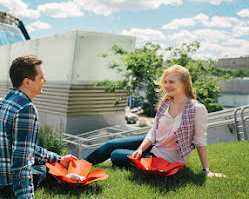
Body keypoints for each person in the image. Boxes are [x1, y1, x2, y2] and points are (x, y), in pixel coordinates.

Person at [0, 55, 75, 199]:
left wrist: (58, 158)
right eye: (41, 77)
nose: (45, 80)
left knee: (48, 162)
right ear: (27, 82)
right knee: (47, 170)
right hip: (2, 187)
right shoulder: (26, 109)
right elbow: (21, 162)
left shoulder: (3, 101)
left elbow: (25, 148)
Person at [85, 65, 225, 178]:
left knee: (115, 154)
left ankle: (131, 159)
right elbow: (153, 131)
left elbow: (200, 140)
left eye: (171, 82)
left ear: (184, 84)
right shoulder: (165, 104)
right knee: (109, 145)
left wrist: (206, 170)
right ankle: (78, 165)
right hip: (155, 141)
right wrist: (140, 149)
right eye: (166, 82)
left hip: (166, 157)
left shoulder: (197, 109)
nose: (167, 86)